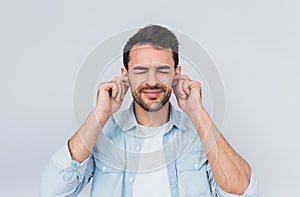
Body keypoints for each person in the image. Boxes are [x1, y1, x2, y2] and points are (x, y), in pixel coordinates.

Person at [40, 25, 257, 197]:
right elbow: (52, 192)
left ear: (177, 74)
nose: (151, 81)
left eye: (162, 70)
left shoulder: (200, 135)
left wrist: (197, 113)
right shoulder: (103, 134)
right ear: (125, 75)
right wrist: (100, 114)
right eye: (141, 71)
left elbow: (242, 192)